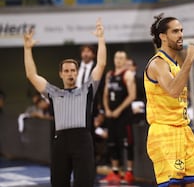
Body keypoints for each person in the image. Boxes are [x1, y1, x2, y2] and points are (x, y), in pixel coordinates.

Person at [23, 18, 106, 187]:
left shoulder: (87, 89)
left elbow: (101, 64)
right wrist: (27, 49)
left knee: (84, 182)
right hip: (60, 141)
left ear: (77, 73)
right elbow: (32, 75)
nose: (70, 73)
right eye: (66, 71)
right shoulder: (53, 93)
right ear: (60, 74)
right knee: (59, 182)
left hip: (83, 140)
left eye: (73, 70)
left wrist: (101, 39)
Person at [144, 14, 194, 187]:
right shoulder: (158, 64)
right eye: (175, 31)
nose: (180, 35)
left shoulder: (175, 64)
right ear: (163, 37)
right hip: (164, 132)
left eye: (181, 30)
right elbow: (172, 90)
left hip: (183, 130)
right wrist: (188, 60)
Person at [101, 51, 136, 184]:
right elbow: (105, 94)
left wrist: (118, 110)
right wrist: (108, 109)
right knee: (112, 142)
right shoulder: (109, 75)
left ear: (125, 60)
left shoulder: (127, 75)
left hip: (124, 115)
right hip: (111, 115)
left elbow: (132, 96)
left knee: (128, 143)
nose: (118, 60)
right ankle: (115, 171)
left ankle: (129, 172)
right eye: (116, 58)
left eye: (121, 58)